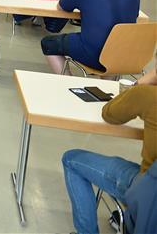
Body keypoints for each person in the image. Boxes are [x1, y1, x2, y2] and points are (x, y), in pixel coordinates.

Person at [62, 66, 156, 234]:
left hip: (148, 191)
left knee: (71, 160)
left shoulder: (148, 96)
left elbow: (109, 113)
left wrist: (140, 83)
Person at [41, 0, 140, 74]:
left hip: (93, 53)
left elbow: (62, 7)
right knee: (109, 45)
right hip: (122, 53)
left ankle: (67, 82)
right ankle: (108, 86)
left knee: (48, 43)